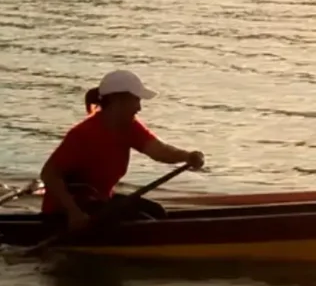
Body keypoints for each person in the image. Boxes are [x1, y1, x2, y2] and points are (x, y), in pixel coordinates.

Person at [39, 69, 203, 233]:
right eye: (136, 100)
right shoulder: (83, 134)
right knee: (142, 223)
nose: (139, 108)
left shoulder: (130, 127)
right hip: (68, 212)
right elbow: (49, 174)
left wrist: (187, 156)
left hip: (99, 201)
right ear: (118, 100)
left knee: (157, 212)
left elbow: (159, 151)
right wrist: (74, 213)